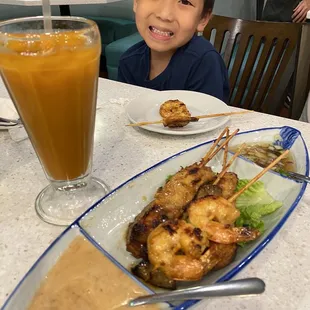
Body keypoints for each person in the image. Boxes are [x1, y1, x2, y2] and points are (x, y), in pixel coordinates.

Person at [118, 0, 230, 103]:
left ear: (203, 19)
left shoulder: (205, 62)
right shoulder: (128, 61)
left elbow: (207, 120)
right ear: (136, 3)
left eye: (185, 2)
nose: (164, 15)